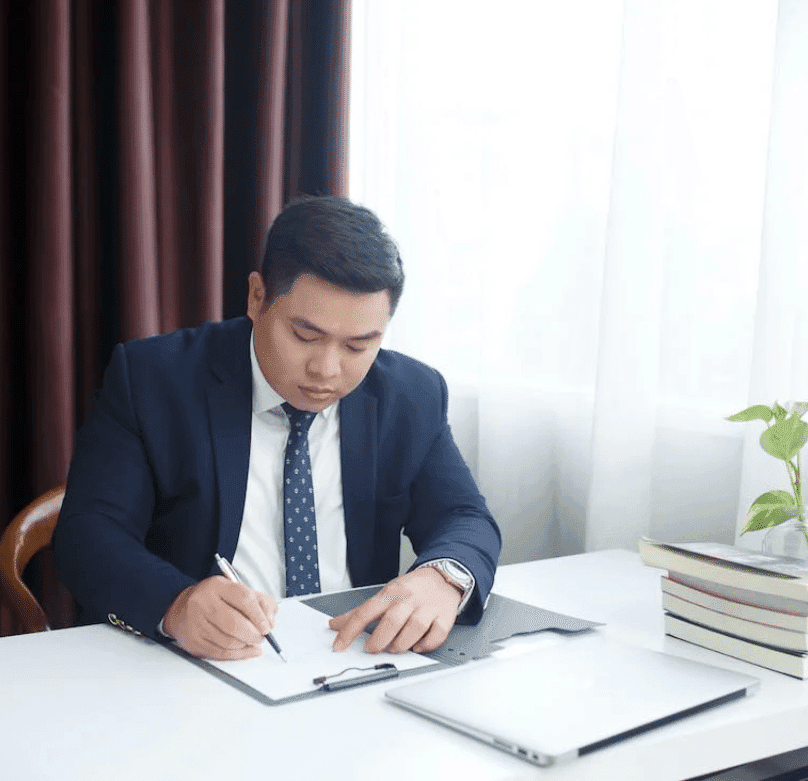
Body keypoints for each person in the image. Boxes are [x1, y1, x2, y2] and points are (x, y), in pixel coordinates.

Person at [53, 195, 501, 661]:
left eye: (358, 346)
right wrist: (176, 603)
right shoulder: (154, 378)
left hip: (353, 660)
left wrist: (442, 578)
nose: (327, 370)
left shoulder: (412, 395)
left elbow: (464, 516)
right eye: (305, 336)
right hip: (198, 666)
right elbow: (88, 533)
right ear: (257, 296)